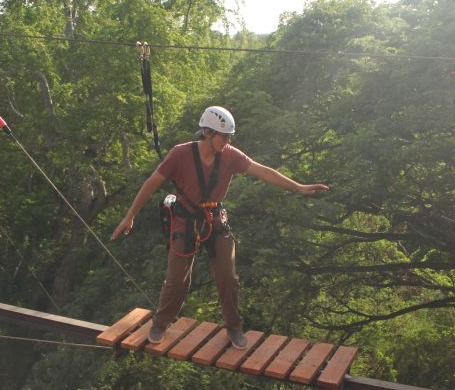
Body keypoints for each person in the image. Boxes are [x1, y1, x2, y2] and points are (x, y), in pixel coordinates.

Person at [111, 106, 329, 349]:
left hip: (214, 218)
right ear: (207, 132)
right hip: (185, 219)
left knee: (228, 276)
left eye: (229, 137)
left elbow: (262, 172)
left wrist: (298, 187)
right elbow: (152, 183)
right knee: (176, 280)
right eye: (224, 136)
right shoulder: (180, 154)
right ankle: (160, 323)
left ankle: (234, 327)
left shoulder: (230, 155)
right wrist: (130, 216)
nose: (228, 141)